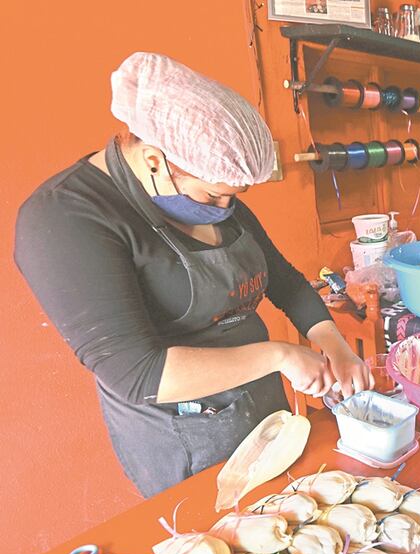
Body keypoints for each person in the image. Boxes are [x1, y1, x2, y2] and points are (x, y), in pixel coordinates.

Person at [15, 53, 372, 497]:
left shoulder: (209, 190)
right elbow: (139, 373)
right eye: (214, 195)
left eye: (234, 198)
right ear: (152, 160)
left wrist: (333, 344)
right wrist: (280, 356)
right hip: (182, 433)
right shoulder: (64, 219)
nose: (224, 211)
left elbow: (285, 280)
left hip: (260, 401)